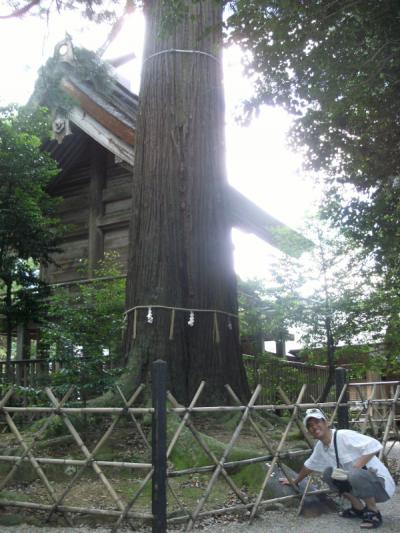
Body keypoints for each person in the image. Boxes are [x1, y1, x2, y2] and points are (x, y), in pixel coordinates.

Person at [280, 408, 396, 529]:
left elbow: (375, 444)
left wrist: (357, 466)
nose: (314, 427)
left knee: (354, 473)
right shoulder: (320, 446)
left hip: (381, 486)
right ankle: (358, 508)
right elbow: (309, 465)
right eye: (310, 425)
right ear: (309, 431)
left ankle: (373, 513)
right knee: (328, 474)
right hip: (360, 485)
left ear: (326, 423)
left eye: (317, 422)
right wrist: (295, 481)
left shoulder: (344, 435)